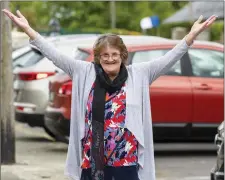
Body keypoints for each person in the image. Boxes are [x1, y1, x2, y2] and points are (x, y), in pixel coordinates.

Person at [2, 9, 217, 180]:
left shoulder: (140, 74)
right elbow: (54, 55)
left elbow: (170, 57)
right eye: (104, 55)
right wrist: (30, 31)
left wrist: (191, 36)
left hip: (126, 160)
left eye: (115, 54)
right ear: (98, 57)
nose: (110, 59)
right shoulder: (84, 72)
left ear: (123, 56)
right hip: (93, 158)